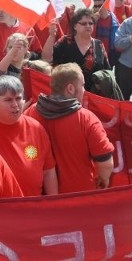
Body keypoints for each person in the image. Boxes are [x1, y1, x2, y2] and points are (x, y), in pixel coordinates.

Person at [24, 63, 115, 193]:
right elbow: (105, 163)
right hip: (79, 197)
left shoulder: (30, 113)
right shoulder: (86, 118)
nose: (84, 90)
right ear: (70, 88)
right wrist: (104, 179)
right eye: (82, 85)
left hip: (41, 197)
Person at [0, 76, 57, 196]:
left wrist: (54, 205)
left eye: (19, 98)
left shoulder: (36, 128)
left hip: (31, 207)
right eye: (8, 100)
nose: (15, 104)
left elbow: (48, 171)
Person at [51, 8, 110, 90]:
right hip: (67, 94)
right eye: (84, 23)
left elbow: (107, 71)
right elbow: (48, 60)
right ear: (75, 26)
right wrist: (51, 36)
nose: (88, 26)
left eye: (91, 23)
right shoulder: (64, 41)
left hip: (92, 96)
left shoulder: (98, 44)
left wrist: (102, 83)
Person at [92, 0, 120, 65]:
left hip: (109, 56)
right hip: (94, 55)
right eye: (95, 6)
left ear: (106, 5)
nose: (98, 9)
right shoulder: (90, 20)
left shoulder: (114, 21)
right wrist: (93, 22)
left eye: (100, 6)